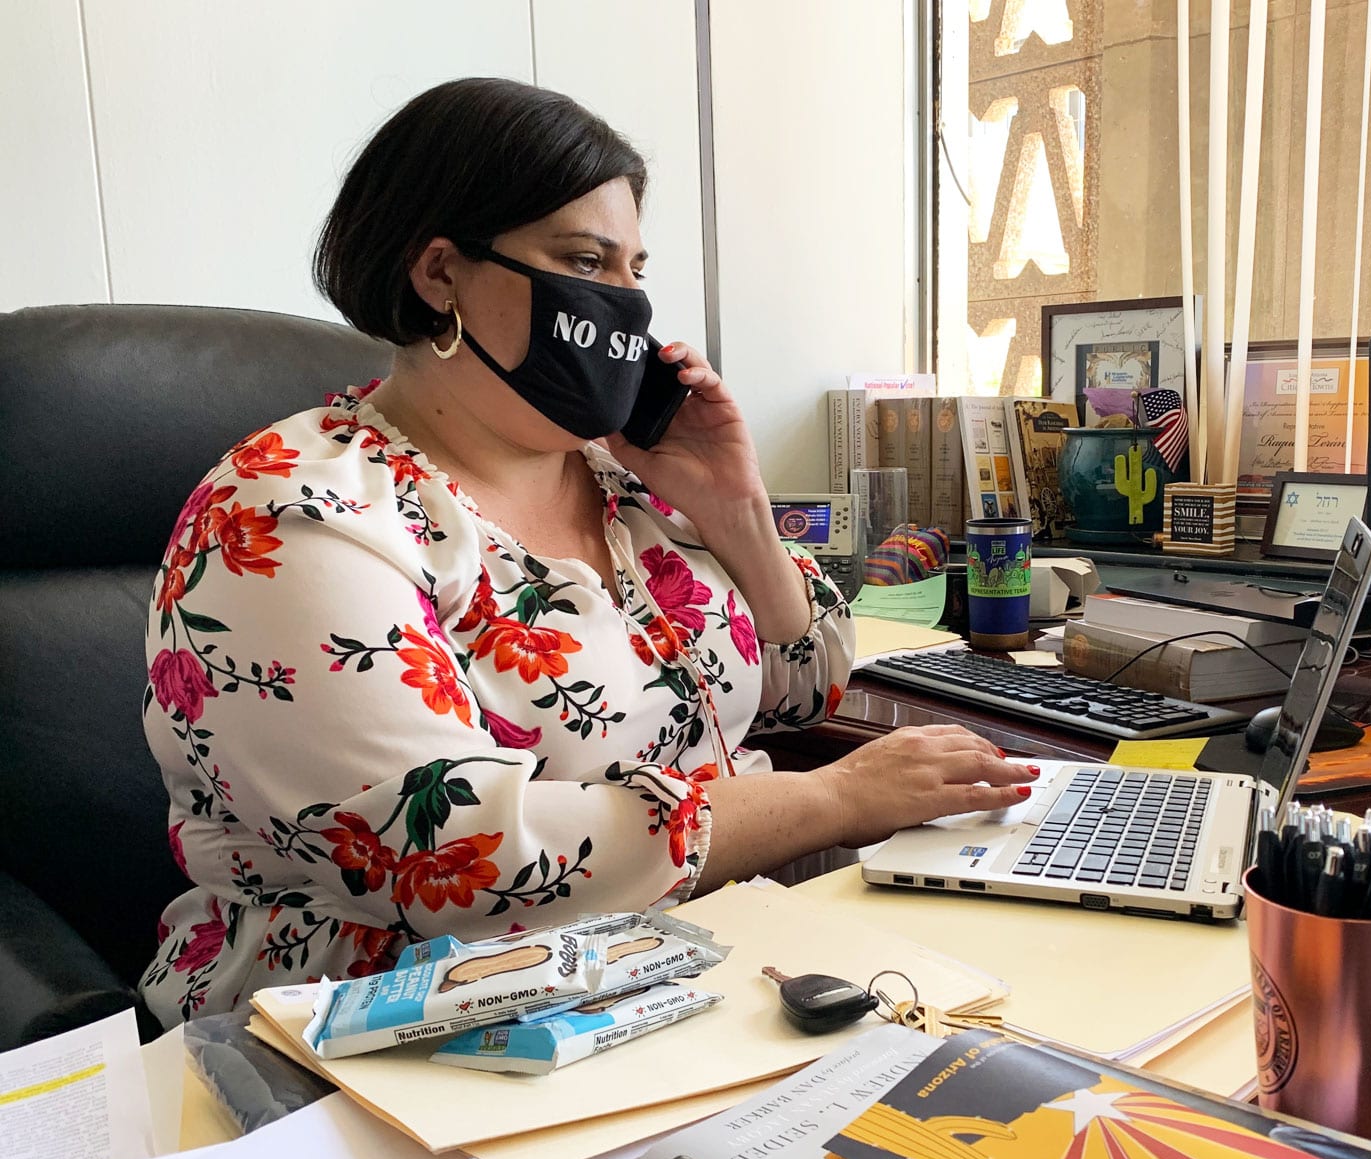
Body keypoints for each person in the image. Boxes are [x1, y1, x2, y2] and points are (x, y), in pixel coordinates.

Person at [139, 78, 1035, 1024]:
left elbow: (807, 683)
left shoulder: (628, 479)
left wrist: (736, 511)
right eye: (584, 262)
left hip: (706, 969)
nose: (624, 307)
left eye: (632, 270)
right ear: (440, 274)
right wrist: (837, 801)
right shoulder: (292, 511)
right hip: (384, 1031)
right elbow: (465, 865)